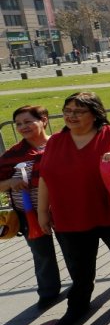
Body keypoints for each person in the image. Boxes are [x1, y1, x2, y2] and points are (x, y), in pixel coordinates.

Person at [37, 92, 110, 325]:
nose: (71, 116)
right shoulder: (55, 142)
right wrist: (43, 211)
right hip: (70, 214)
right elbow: (45, 177)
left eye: (78, 111)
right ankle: (78, 305)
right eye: (67, 111)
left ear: (94, 114)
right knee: (79, 266)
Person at [0, 105, 61, 310]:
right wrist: (9, 183)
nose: (22, 127)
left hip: (61, 209)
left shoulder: (59, 145)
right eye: (18, 124)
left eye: (28, 122)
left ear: (43, 120)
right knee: (41, 254)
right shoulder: (12, 154)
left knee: (73, 251)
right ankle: (48, 292)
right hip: (29, 214)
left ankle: (81, 287)